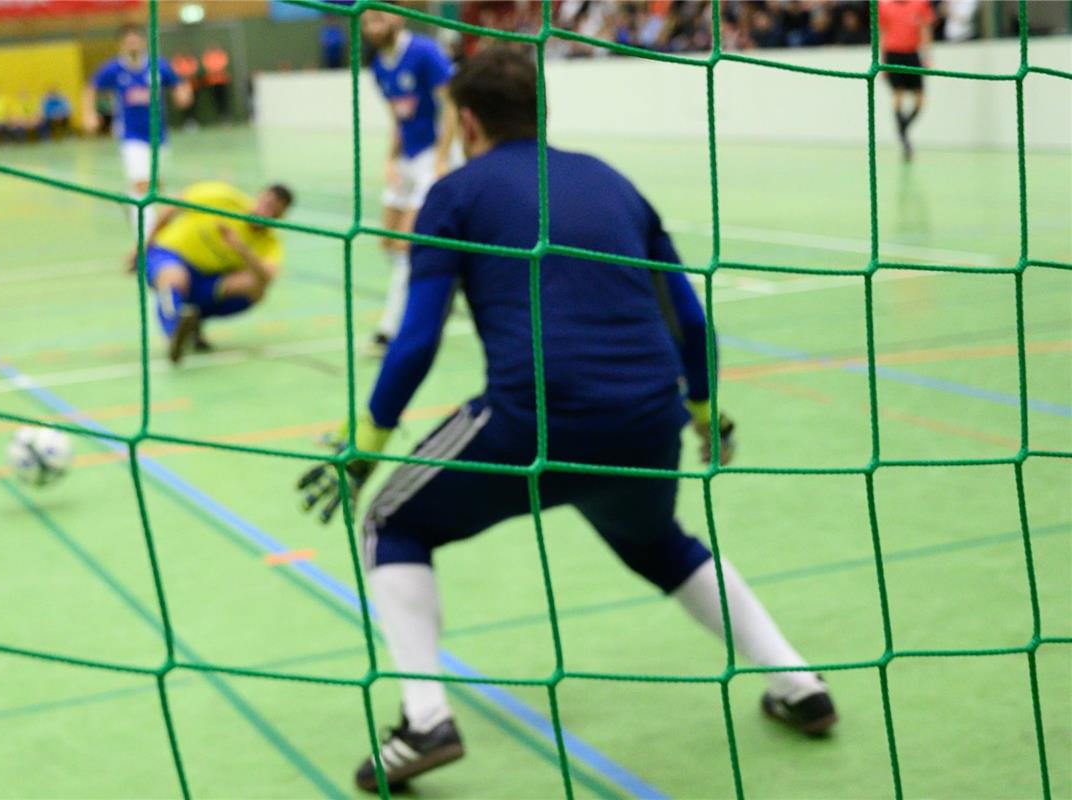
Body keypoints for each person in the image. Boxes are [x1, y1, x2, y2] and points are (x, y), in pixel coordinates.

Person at [296, 46, 837, 793]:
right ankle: (799, 683)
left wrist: (366, 445)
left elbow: (417, 338)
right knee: (657, 545)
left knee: (394, 522)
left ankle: (424, 721)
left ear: (470, 119)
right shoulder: (612, 182)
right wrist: (705, 412)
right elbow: (688, 314)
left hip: (534, 421)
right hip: (648, 418)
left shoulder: (453, 194)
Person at [361, 8, 459, 356]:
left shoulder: (424, 52)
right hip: (408, 158)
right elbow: (398, 121)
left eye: (379, 19)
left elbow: (451, 106)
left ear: (397, 18)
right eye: (368, 21)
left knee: (406, 245)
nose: (373, 27)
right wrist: (390, 159)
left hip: (434, 156)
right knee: (388, 240)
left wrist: (444, 159)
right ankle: (450, 283)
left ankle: (391, 329)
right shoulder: (377, 66)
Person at [141, 182, 294, 363]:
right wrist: (143, 246)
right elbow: (175, 203)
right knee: (175, 276)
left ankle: (192, 320)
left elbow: (267, 277)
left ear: (281, 216)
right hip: (168, 254)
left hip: (204, 279)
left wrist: (239, 247)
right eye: (267, 204)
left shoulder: (270, 242)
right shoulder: (224, 198)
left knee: (255, 288)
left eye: (274, 211)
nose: (266, 213)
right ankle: (174, 331)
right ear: (258, 196)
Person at [83, 24, 195, 240]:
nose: (133, 43)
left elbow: (179, 84)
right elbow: (90, 87)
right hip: (131, 136)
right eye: (128, 39)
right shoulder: (114, 69)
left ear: (144, 41)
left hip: (159, 136)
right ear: (122, 43)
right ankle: (146, 240)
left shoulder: (158, 66)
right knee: (141, 185)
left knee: (156, 186)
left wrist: (183, 94)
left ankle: (132, 203)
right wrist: (89, 113)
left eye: (137, 38)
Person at [878, 0, 934, 162]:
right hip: (893, 54)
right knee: (898, 95)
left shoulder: (920, 4)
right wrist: (882, 62)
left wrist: (927, 55)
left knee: (920, 101)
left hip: (912, 54)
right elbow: (882, 33)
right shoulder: (884, 6)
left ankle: (903, 130)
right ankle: (904, 139)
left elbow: (926, 29)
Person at [201, 43, 233, 123]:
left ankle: (225, 117)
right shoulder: (208, 55)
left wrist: (217, 70)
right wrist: (213, 70)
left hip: (222, 81)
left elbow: (223, 63)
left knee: (224, 100)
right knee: (215, 101)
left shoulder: (221, 54)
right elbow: (207, 64)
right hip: (212, 82)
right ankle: (220, 117)